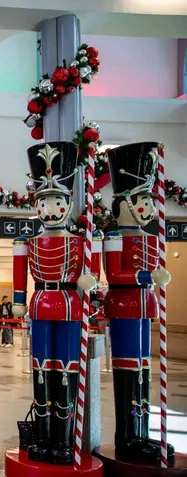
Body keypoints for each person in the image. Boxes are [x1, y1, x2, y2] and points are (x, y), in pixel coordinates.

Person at [12, 141, 101, 465]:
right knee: (40, 369)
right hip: (40, 304)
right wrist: (19, 301)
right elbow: (19, 276)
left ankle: (63, 440)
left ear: (68, 203)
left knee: (66, 369)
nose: (50, 209)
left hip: (70, 307)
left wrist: (90, 282)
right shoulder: (27, 242)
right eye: (44, 202)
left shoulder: (82, 242)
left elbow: (93, 275)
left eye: (57, 201)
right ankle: (43, 437)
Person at [103, 142, 174, 460]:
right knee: (129, 368)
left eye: (149, 200)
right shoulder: (114, 238)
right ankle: (128, 437)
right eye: (142, 200)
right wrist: (148, 276)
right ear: (124, 203)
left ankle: (143, 432)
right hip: (125, 306)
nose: (148, 207)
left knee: (144, 368)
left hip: (144, 305)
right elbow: (115, 275)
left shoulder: (151, 238)